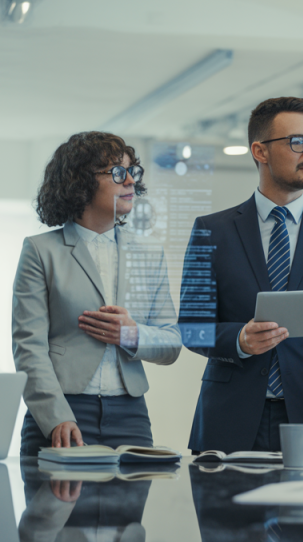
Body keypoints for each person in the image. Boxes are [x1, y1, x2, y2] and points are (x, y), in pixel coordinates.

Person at [180, 96, 303, 459]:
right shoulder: (212, 230)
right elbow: (191, 327)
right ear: (260, 151)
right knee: (226, 516)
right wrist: (238, 338)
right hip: (228, 418)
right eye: (297, 142)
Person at [13, 132, 180, 455]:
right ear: (80, 182)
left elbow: (171, 342)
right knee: (60, 506)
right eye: (118, 172)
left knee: (129, 507)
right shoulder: (40, 250)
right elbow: (28, 347)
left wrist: (132, 335)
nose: (130, 180)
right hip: (62, 414)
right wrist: (55, 417)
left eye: (133, 171)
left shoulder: (150, 251)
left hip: (131, 416)